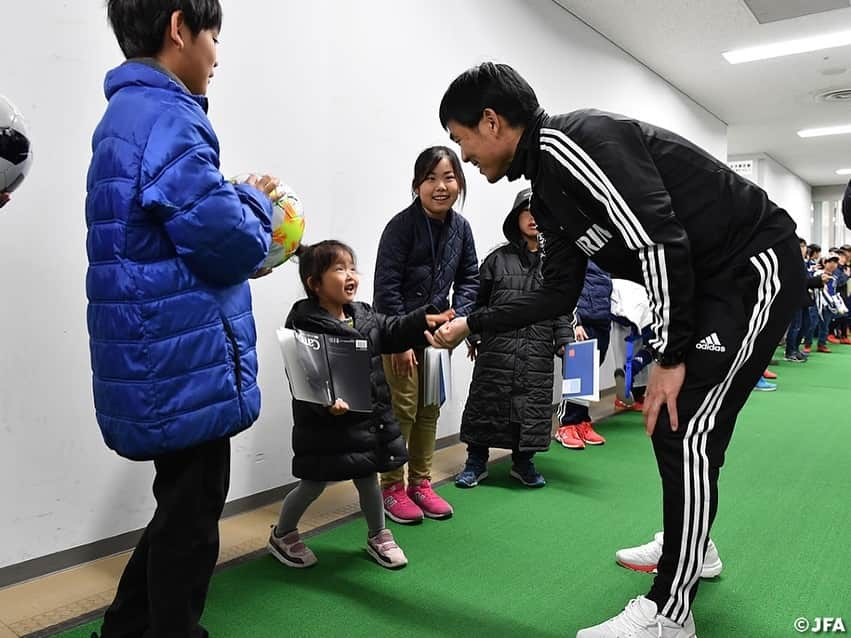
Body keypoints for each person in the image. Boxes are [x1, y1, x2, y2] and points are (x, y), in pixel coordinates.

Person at [431, 62, 804, 638]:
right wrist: (471, 322)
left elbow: (659, 239)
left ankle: (670, 613)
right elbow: (556, 291)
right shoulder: (547, 193)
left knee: (687, 427)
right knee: (672, 422)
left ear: (492, 120)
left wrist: (669, 356)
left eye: (463, 140)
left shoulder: (573, 143)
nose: (466, 157)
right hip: (705, 284)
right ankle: (692, 545)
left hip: (752, 267)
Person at [86, 2, 277, 636]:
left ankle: (123, 628)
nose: (217, 54)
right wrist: (256, 199)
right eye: (213, 36)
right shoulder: (168, 116)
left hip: (155, 352)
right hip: (179, 359)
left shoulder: (127, 115)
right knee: (191, 523)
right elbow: (227, 240)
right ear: (178, 30)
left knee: (180, 508)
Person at [268, 241, 453, 569]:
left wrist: (420, 321)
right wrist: (325, 405)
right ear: (315, 283)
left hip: (367, 422)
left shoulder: (363, 314)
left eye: (352, 267)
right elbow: (304, 376)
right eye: (339, 269)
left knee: (368, 476)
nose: (350, 275)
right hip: (325, 425)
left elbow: (392, 330)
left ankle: (378, 534)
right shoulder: (305, 321)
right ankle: (283, 534)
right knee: (312, 483)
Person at [373, 146, 479, 523]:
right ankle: (391, 488)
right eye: (431, 178)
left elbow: (470, 278)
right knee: (399, 412)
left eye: (449, 177)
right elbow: (385, 288)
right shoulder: (400, 227)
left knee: (429, 410)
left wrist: (458, 322)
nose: (441, 186)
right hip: (401, 335)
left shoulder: (461, 229)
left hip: (439, 340)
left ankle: (420, 483)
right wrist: (398, 340)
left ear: (459, 183)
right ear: (417, 185)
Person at [455, 188, 572, 488]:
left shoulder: (556, 264)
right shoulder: (497, 260)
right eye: (527, 212)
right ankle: (475, 462)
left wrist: (565, 341)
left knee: (530, 407)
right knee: (486, 403)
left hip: (537, 348)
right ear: (515, 217)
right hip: (498, 349)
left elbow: (561, 309)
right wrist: (474, 334)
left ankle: (523, 463)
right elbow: (476, 302)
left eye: (540, 213)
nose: (533, 219)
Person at [554, 260, 612, 449]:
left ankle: (581, 422)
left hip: (602, 317)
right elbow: (567, 283)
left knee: (590, 375)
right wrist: (575, 321)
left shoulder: (603, 249)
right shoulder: (574, 245)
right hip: (582, 318)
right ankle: (567, 425)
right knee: (577, 373)